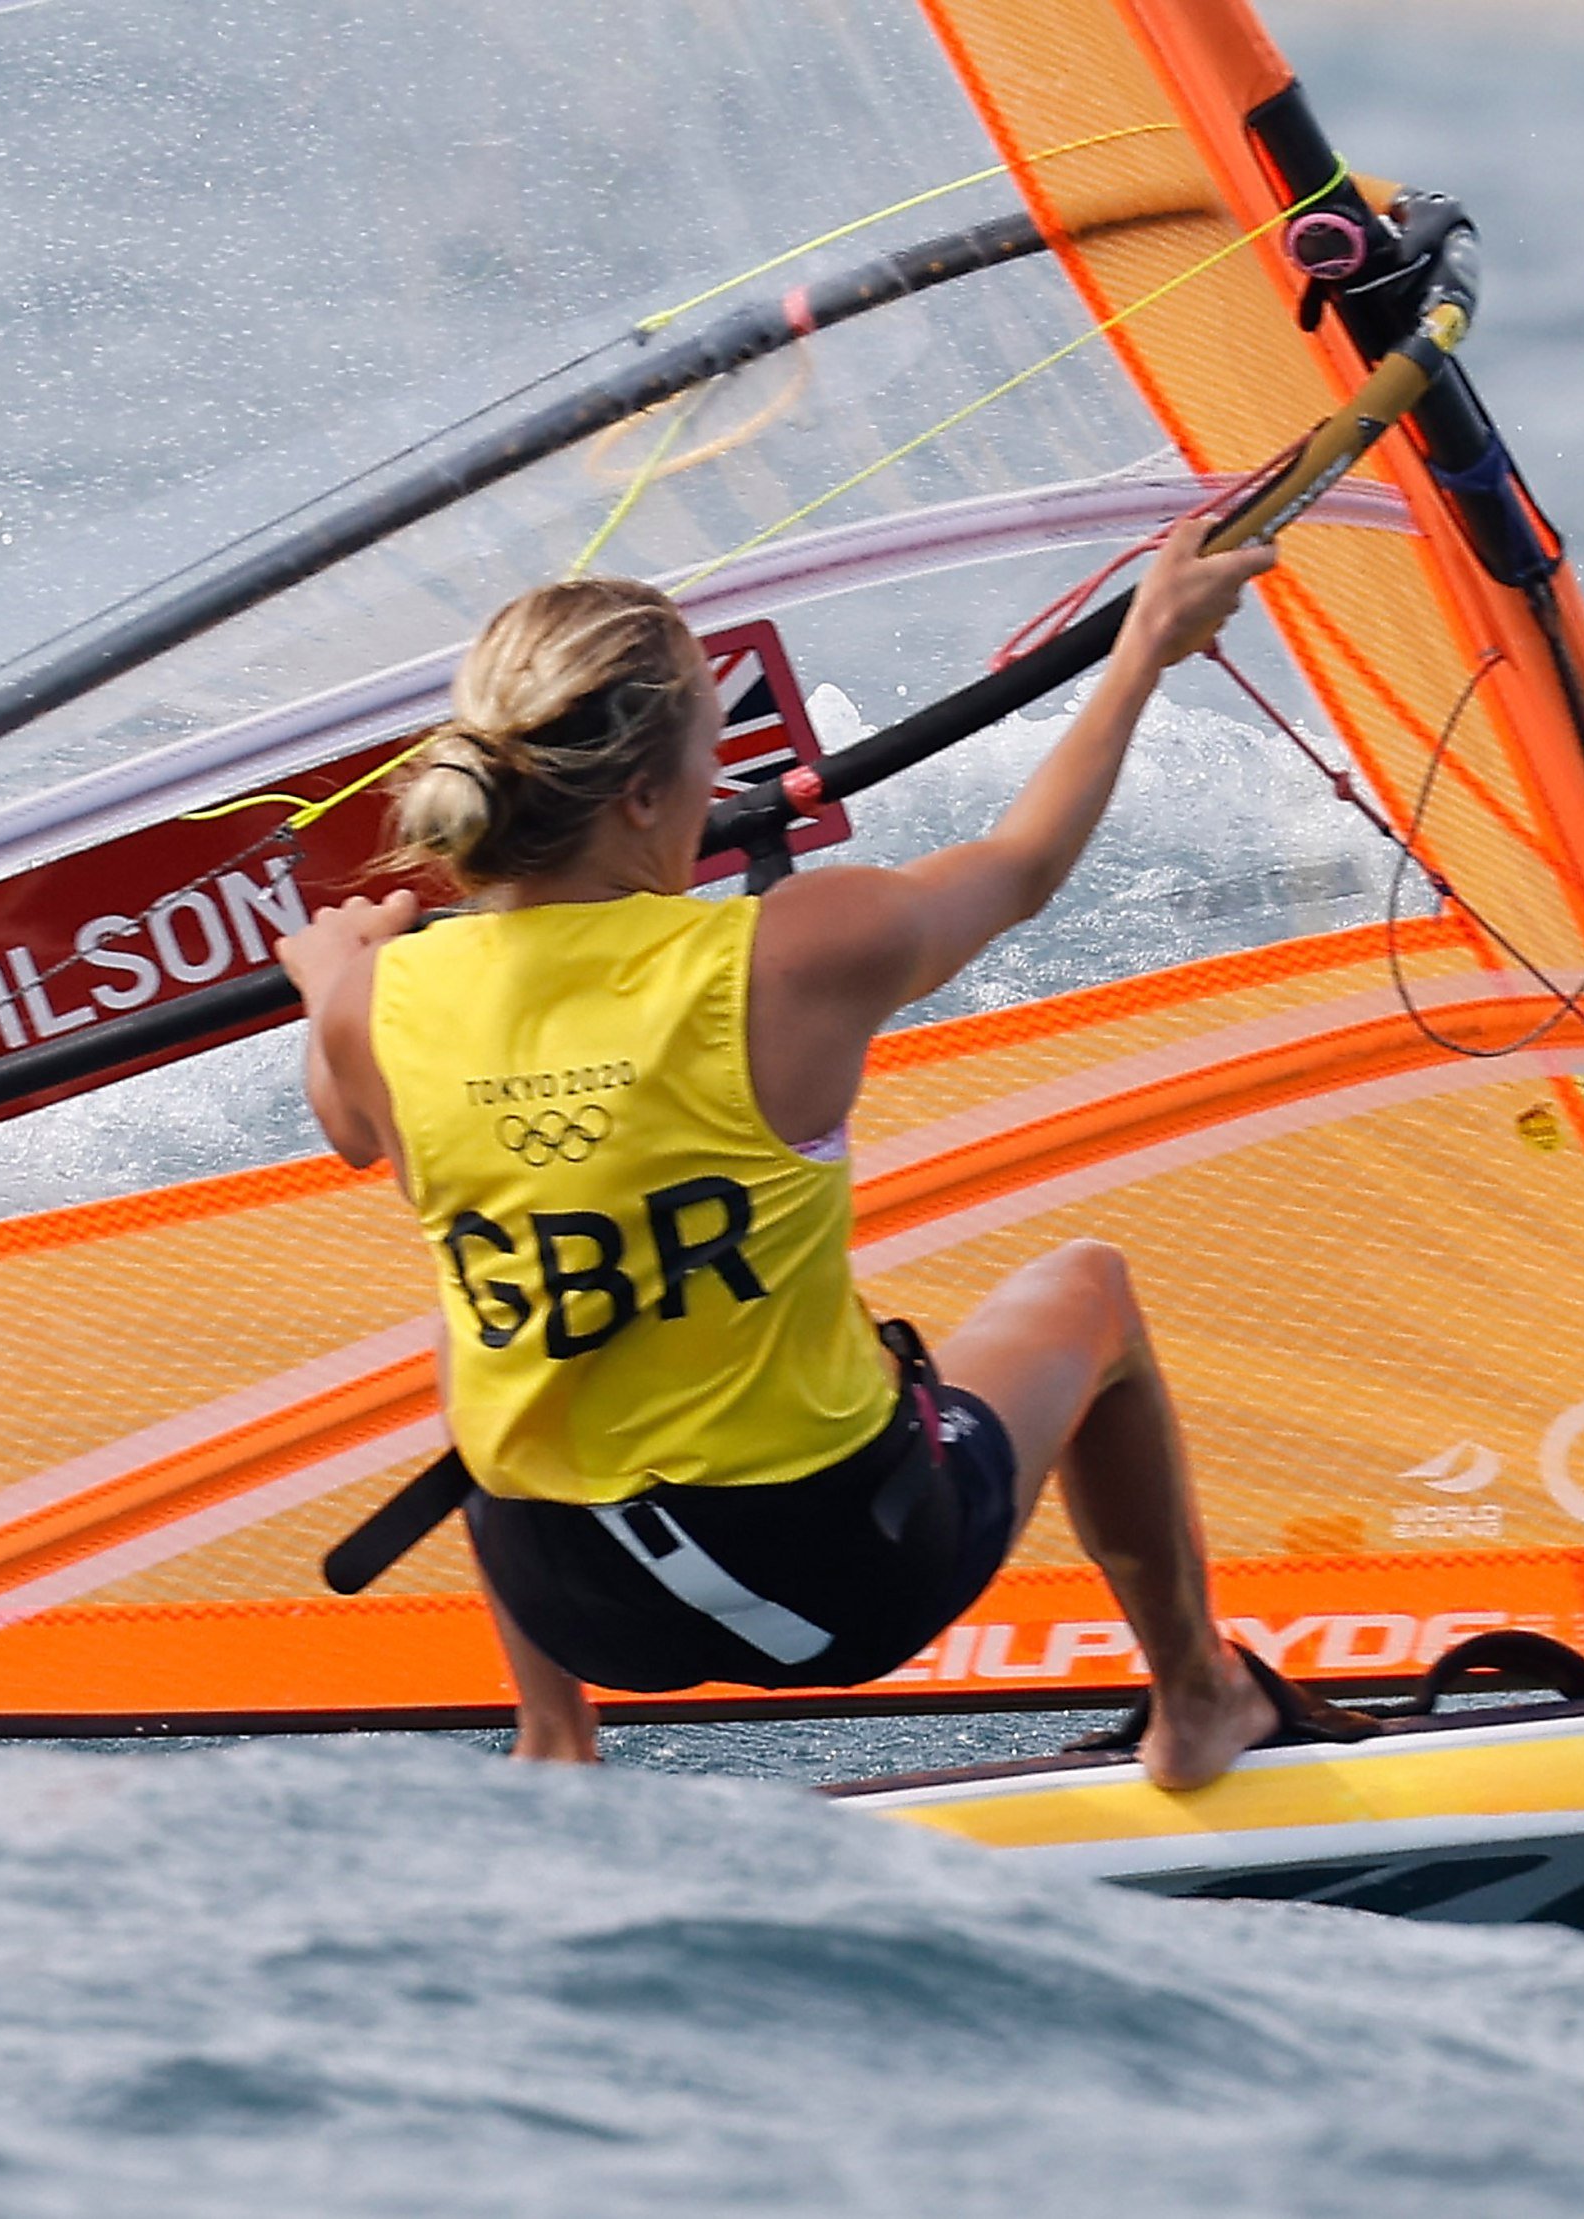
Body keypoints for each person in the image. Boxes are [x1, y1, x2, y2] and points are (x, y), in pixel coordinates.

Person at [276, 526, 1311, 1785]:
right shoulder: (792, 951)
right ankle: (1198, 1695)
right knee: (1091, 1288)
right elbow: (1023, 867)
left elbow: (345, 1127)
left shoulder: (373, 1003)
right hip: (847, 1572)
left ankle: (557, 1736)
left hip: (579, 1593)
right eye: (711, 754)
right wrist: (1145, 644)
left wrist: (330, 972)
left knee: (476, 1301)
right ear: (647, 798)